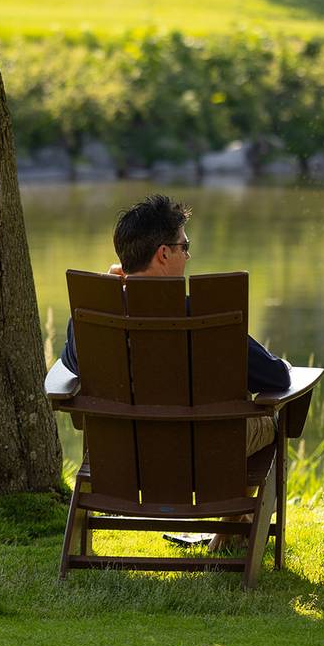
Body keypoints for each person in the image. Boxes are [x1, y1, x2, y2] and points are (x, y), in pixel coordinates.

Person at [44, 193, 292, 456]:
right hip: (206, 451)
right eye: (184, 246)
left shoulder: (96, 317)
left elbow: (71, 362)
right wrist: (285, 366)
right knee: (273, 420)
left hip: (122, 452)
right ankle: (234, 484)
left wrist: (103, 296)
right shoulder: (203, 316)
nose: (188, 255)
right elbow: (275, 378)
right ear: (163, 253)